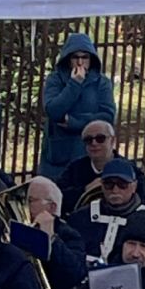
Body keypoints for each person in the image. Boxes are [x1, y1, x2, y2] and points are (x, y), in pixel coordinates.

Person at [41, 34, 116, 181]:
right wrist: (75, 84)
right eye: (75, 57)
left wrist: (74, 122)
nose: (80, 62)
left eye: (85, 57)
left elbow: (107, 116)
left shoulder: (101, 82)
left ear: (91, 59)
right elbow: (54, 111)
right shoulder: (55, 80)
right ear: (68, 59)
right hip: (59, 155)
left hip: (90, 151)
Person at [22, 174, 87, 289]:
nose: (23, 205)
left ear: (51, 207)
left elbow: (74, 275)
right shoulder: (16, 228)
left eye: (30, 200)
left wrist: (51, 239)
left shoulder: (69, 235)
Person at [58, 121, 145, 216]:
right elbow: (59, 198)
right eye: (88, 140)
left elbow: (143, 206)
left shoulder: (131, 170)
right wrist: (85, 189)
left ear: (112, 140)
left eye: (100, 138)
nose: (94, 143)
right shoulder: (74, 168)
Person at [67, 158, 144, 267]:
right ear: (102, 186)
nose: (115, 190)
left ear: (134, 186)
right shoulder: (81, 217)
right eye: (109, 184)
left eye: (122, 184)